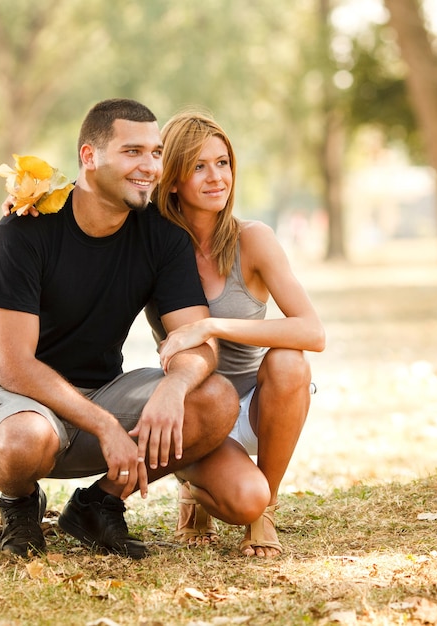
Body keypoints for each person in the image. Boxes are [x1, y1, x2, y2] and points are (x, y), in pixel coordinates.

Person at [0, 98, 240, 559]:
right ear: (89, 156)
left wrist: (175, 385)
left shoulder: (162, 238)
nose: (149, 167)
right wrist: (105, 426)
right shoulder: (24, 231)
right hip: (1, 394)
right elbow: (15, 366)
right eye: (132, 152)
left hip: (95, 392)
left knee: (216, 397)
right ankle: (20, 503)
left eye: (156, 153)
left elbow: (197, 339)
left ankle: (97, 505)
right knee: (27, 439)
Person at [146, 110, 325, 557]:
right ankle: (195, 488)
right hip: (198, 409)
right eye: (199, 166)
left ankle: (268, 507)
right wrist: (33, 211)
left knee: (289, 361)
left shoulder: (254, 239)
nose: (216, 177)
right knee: (241, 497)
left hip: (256, 410)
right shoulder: (150, 246)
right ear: (172, 181)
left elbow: (312, 331)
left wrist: (212, 324)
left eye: (223, 163)